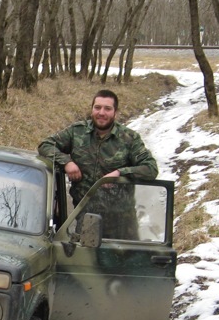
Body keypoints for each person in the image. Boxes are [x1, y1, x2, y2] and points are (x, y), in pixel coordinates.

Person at [38, 89, 158, 239]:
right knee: (86, 260)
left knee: (123, 261)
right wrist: (67, 162)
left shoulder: (129, 139)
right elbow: (45, 145)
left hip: (122, 223)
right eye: (97, 107)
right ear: (92, 109)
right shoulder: (77, 132)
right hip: (87, 218)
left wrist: (120, 173)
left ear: (116, 113)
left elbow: (150, 169)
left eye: (107, 109)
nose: (101, 113)